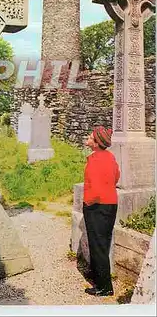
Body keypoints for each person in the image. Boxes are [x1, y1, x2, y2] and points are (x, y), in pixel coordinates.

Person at [83, 125, 120, 297]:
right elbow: (116, 176)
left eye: (90, 137)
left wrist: (89, 203)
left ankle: (105, 287)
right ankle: (98, 273)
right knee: (103, 241)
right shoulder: (110, 157)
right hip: (111, 203)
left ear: (96, 143)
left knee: (97, 244)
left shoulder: (94, 159)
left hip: (97, 205)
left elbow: (95, 187)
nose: (87, 138)